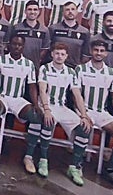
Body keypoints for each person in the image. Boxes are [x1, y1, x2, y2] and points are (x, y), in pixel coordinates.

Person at [73, 40, 113, 189]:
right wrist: (83, 114)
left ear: (106, 53)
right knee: (85, 127)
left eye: (101, 50)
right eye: (96, 50)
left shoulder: (111, 73)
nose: (98, 53)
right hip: (84, 110)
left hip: (101, 112)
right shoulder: (81, 69)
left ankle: (111, 169)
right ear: (91, 51)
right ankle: (76, 165)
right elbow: (76, 94)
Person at [0, 35, 43, 172]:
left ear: (23, 47)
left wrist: (35, 104)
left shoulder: (28, 64)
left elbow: (32, 86)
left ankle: (28, 157)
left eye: (20, 45)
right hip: (2, 96)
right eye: (14, 44)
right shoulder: (0, 60)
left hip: (17, 99)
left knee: (35, 117)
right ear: (9, 45)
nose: (17, 47)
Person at [35, 43, 90, 181]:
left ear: (66, 56)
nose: (59, 56)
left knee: (84, 128)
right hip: (46, 105)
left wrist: (83, 115)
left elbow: (77, 94)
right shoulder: (45, 68)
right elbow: (42, 90)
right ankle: (43, 160)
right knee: (48, 121)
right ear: (52, 54)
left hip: (62, 107)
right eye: (57, 53)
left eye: (62, 54)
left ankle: (74, 166)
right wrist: (46, 109)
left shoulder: (71, 72)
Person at [47, 0, 91, 68]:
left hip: (74, 69)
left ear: (77, 11)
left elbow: (85, 56)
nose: (70, 12)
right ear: (63, 12)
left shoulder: (85, 32)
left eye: (73, 9)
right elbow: (48, 50)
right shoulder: (53, 29)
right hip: (55, 68)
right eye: (67, 9)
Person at [9, 1, 50, 67]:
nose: (32, 12)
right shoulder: (16, 28)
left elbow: (45, 49)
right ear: (25, 11)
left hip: (35, 66)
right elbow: (11, 46)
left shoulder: (45, 30)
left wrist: (38, 60)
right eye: (29, 9)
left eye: (35, 9)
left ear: (39, 12)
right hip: (17, 65)